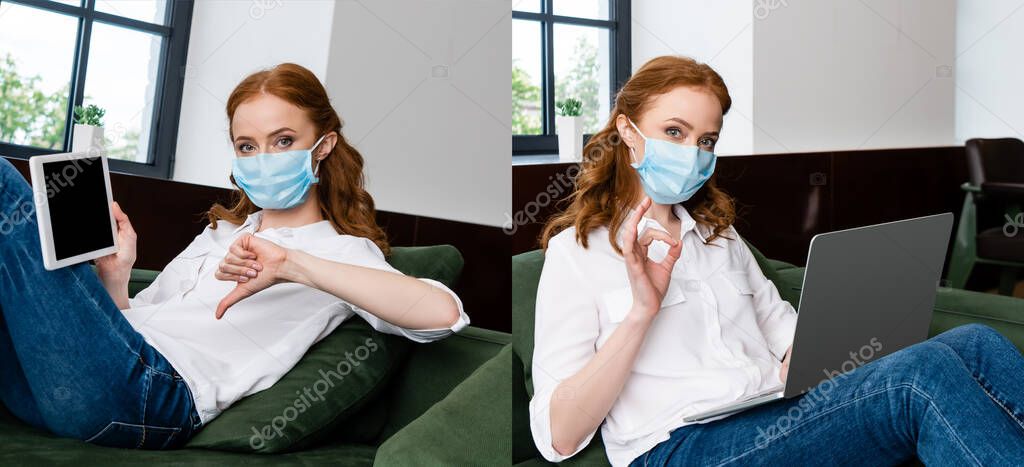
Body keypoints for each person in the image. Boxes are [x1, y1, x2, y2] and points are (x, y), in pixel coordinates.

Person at [529, 55, 1024, 466]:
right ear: (628, 131)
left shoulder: (720, 238)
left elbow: (791, 343)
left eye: (705, 141)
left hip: (771, 412)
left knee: (976, 342)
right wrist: (642, 313)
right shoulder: (577, 253)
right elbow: (558, 437)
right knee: (922, 376)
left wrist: (837, 341)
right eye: (674, 131)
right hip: (678, 446)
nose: (693, 153)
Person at [0, 63, 467, 449]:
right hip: (66, 386)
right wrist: (118, 280)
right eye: (248, 146)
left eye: (283, 141)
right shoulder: (219, 233)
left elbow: (441, 315)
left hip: (151, 397)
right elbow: (136, 329)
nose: (264, 157)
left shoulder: (342, 252)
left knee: (4, 182)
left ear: (323, 146)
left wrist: (291, 265)